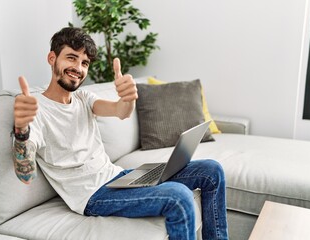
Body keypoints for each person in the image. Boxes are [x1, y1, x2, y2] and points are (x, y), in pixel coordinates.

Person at [12, 27, 228, 240]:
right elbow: (26, 174)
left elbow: (119, 111)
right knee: (179, 197)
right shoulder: (34, 108)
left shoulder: (83, 98)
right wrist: (21, 131)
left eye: (84, 63)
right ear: (52, 58)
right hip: (93, 195)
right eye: (71, 58)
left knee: (212, 171)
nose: (78, 68)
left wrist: (128, 99)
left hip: (118, 177)